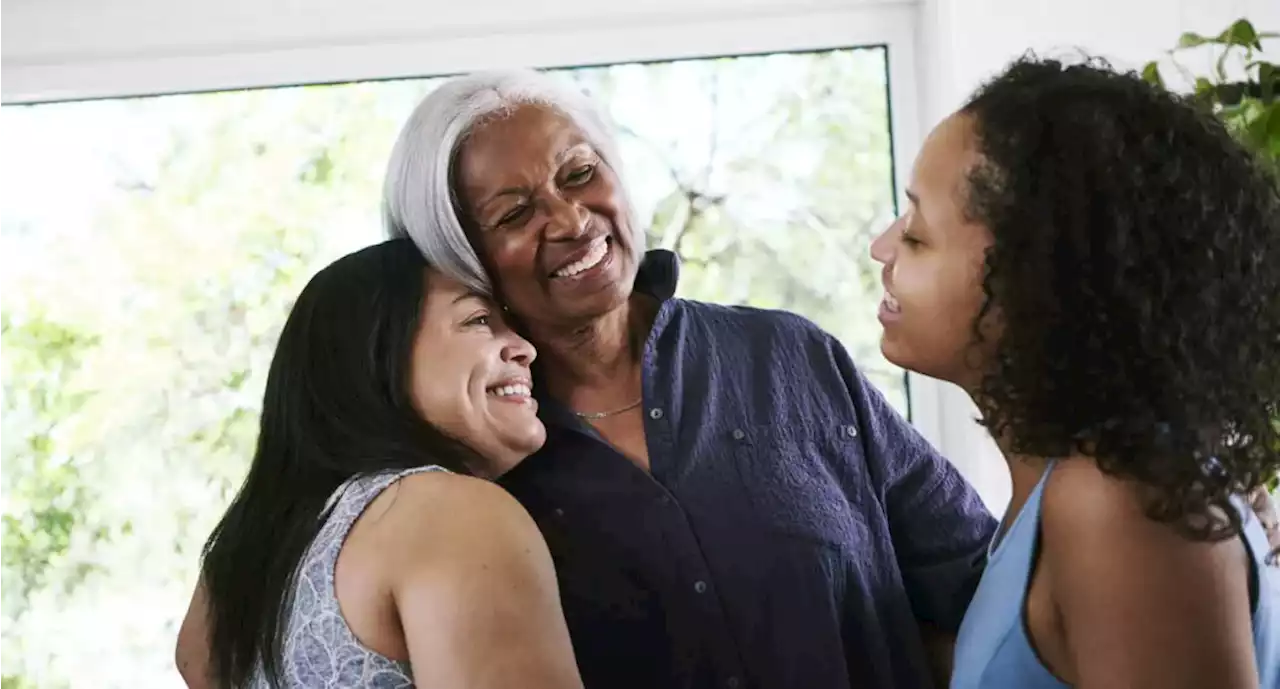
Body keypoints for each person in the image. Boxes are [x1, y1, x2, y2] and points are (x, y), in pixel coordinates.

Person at [382, 69, 997, 689]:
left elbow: (982, 588)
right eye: (515, 213)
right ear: (455, 254)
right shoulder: (461, 468)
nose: (571, 221)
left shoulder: (790, 357)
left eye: (579, 174)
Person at [870, 56, 1280, 689]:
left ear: (1038, 283)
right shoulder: (1065, 487)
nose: (883, 249)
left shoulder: (1115, 500)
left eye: (918, 235)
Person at [173, 239, 583, 689]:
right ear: (376, 352)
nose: (525, 348)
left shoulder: (226, 578)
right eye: (479, 320)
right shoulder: (451, 514)